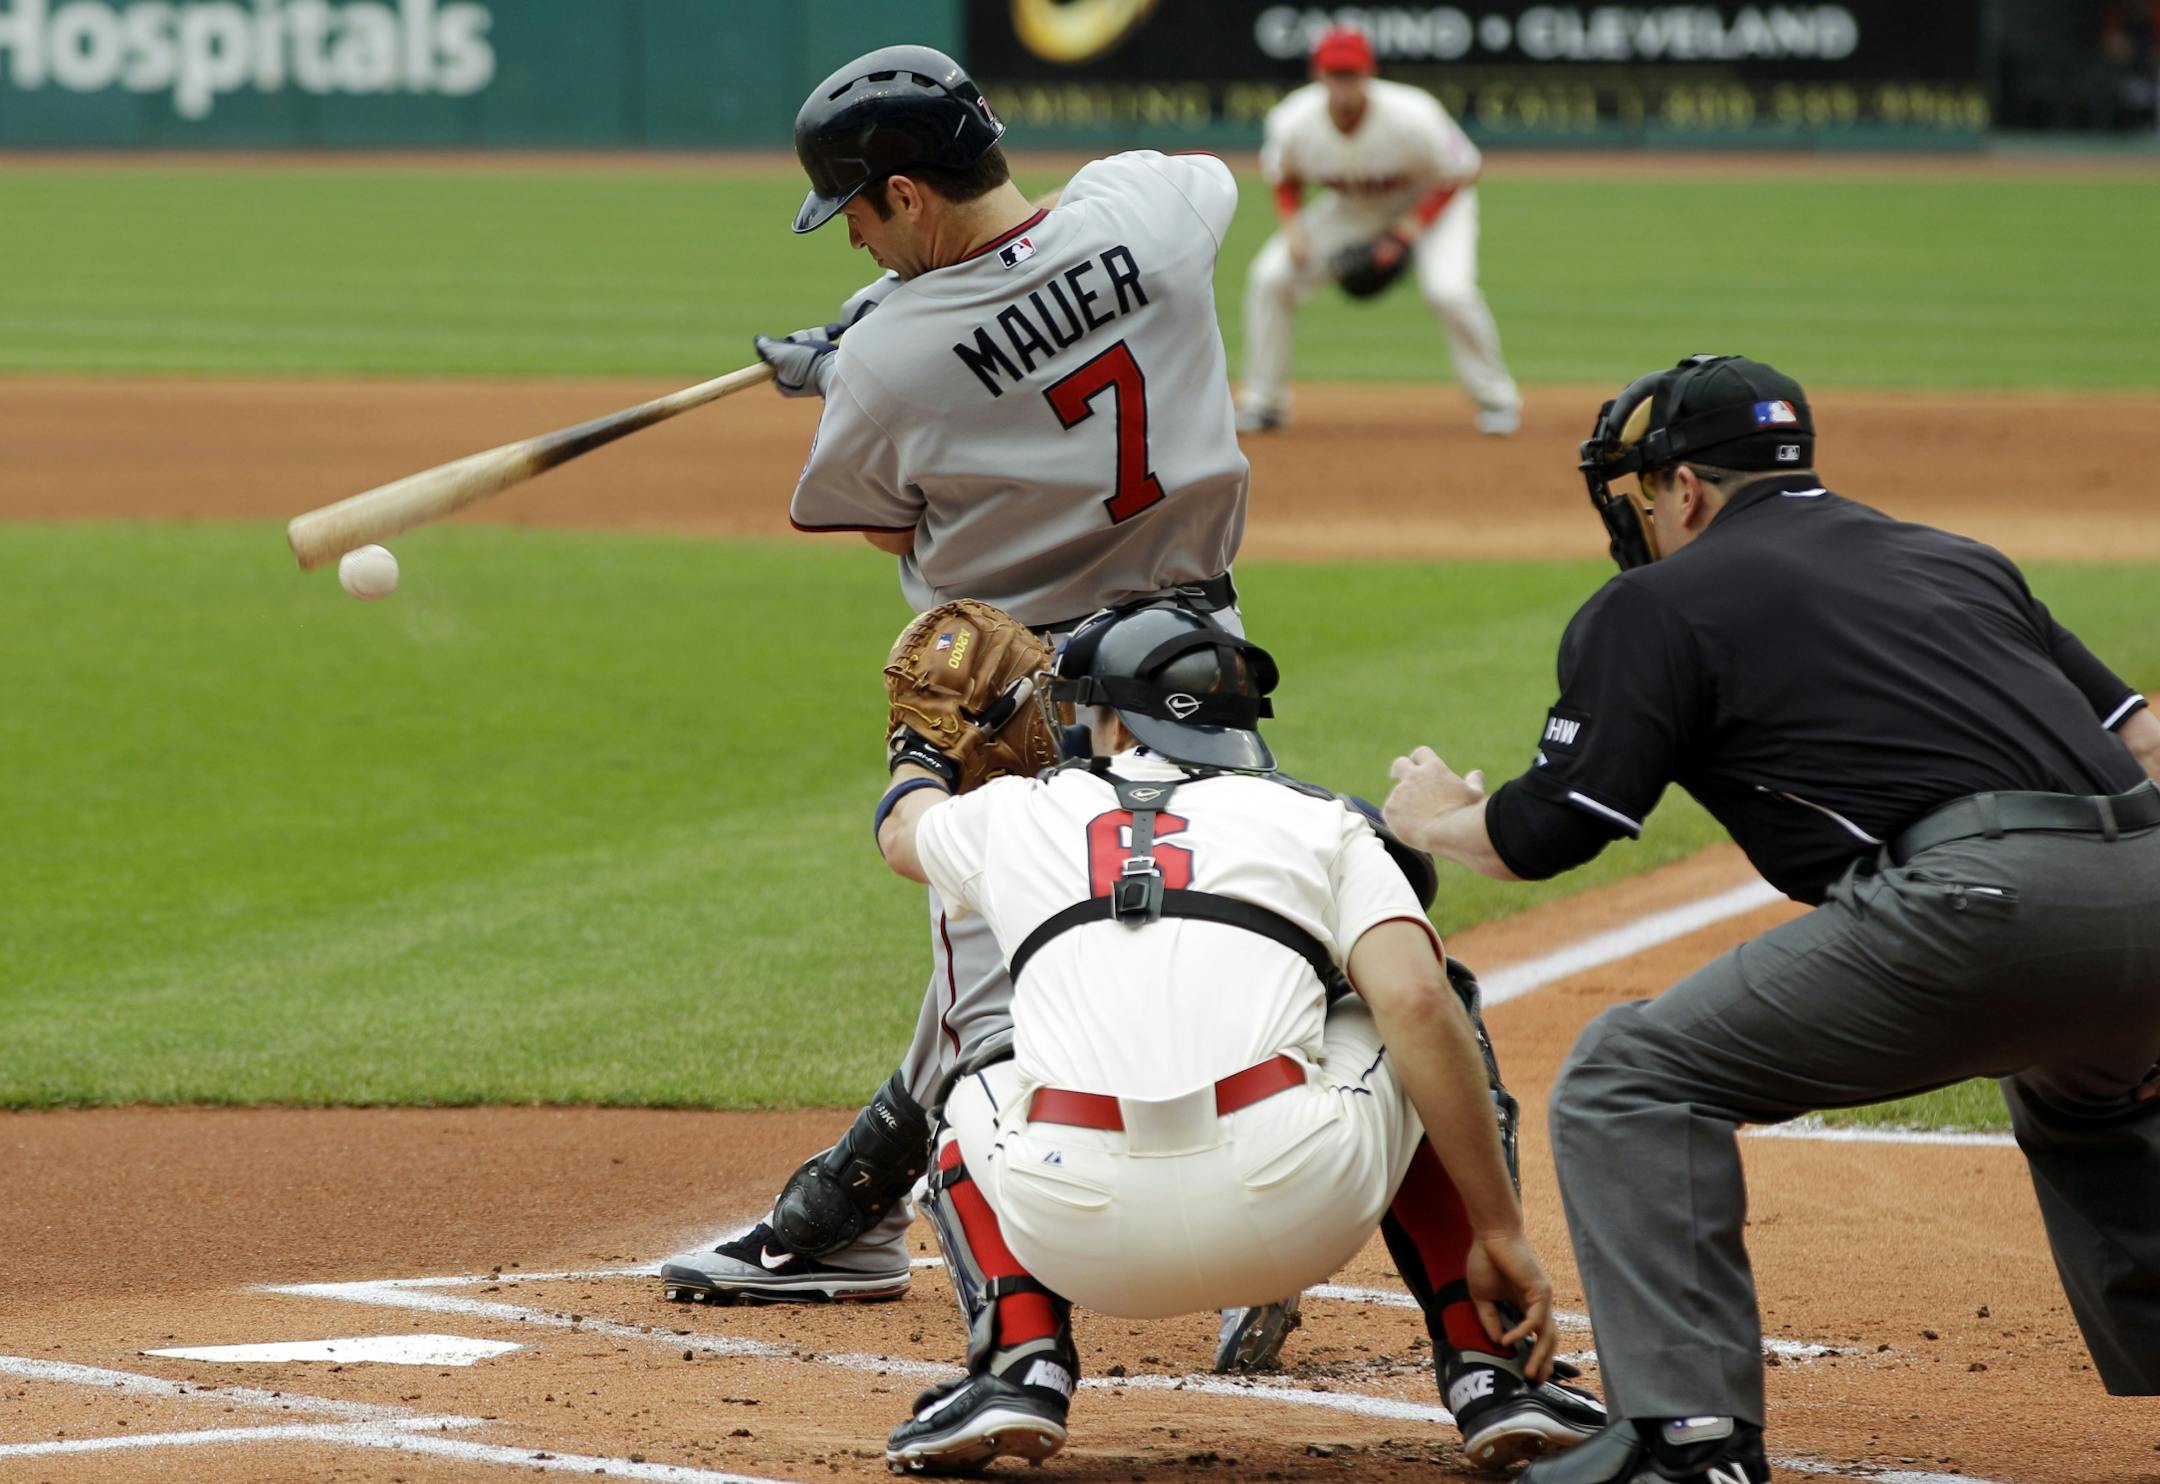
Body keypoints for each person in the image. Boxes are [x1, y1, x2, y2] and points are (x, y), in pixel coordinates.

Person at [1380, 353, 2160, 1484]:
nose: (1645, 515)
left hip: (1976, 903)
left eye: (1646, 493)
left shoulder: (1653, 603)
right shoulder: (1953, 554)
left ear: (1684, 488)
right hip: (2148, 877)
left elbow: (1544, 835)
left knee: (1628, 1075)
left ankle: (1688, 1437)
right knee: (2090, 1093)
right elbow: (2140, 744)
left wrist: (1441, 815)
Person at [657, 42, 1292, 1371]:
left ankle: (954, 1295)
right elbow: (1195, 187)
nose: (859, 247)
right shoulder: (1147, 215)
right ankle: (1260, 1242)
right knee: (1245, 928)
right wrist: (912, 321)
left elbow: (857, 508)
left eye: (861, 220)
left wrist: (851, 363)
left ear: (902, 193)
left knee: (990, 990)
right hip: (1196, 654)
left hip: (1008, 689)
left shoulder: (891, 355)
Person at [870, 600, 1605, 1473]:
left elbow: (902, 832)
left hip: (1072, 1223)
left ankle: (1017, 1363)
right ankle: (1494, 1377)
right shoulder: (1325, 821)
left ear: (1111, 719)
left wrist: (918, 756)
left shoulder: (1017, 814)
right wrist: (1502, 1232)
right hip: (1295, 1207)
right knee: (1425, 1007)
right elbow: (1416, 1003)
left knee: (983, 1075)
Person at [1238, 24, 1520, 437]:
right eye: (1335, 74)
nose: (1343, 84)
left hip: (1432, 206)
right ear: (1318, 75)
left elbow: (1464, 169)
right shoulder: (1294, 120)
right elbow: (1283, 175)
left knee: (1449, 291)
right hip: (1351, 210)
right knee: (1271, 276)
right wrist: (1293, 226)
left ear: (1368, 74)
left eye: (1351, 73)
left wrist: (1409, 230)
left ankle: (1497, 400)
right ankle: (1264, 402)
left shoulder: (1414, 114)